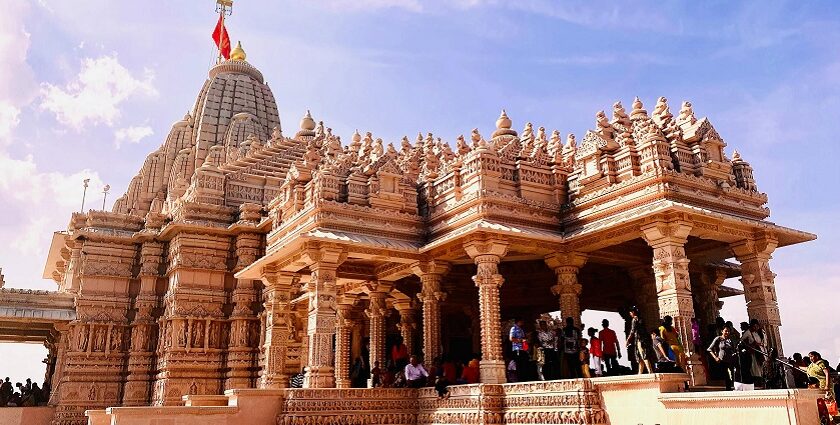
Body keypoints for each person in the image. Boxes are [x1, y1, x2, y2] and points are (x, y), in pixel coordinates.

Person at [708, 326, 738, 390]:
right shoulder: (718, 339)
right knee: (727, 375)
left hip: (730, 361)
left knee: (732, 375)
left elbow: (733, 349)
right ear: (722, 331)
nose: (727, 332)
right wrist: (715, 357)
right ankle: (728, 389)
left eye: (728, 331)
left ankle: (730, 388)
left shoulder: (729, 340)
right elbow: (709, 349)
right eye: (726, 331)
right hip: (722, 361)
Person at [626, 307, 653, 374]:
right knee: (640, 357)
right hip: (643, 339)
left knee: (643, 355)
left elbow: (632, 331)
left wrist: (627, 340)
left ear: (633, 312)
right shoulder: (641, 319)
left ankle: (650, 371)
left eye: (630, 312)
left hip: (640, 340)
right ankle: (640, 373)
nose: (630, 314)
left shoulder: (635, 319)